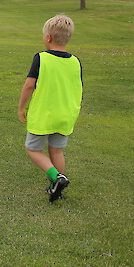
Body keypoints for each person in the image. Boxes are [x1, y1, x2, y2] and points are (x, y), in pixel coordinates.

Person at [18, 14, 82, 202]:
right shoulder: (75, 61)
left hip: (44, 115)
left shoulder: (41, 58)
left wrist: (21, 107)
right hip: (65, 114)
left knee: (33, 150)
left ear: (48, 37)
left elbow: (29, 85)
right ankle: (57, 189)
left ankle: (57, 178)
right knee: (56, 150)